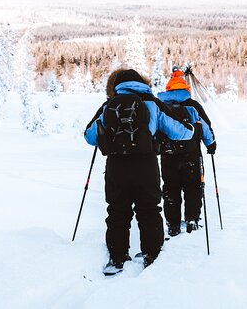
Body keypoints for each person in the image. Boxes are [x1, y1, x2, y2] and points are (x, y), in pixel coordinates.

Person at [84, 68, 199, 273]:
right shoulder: (151, 103)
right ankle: (152, 255)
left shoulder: (109, 105)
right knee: (149, 210)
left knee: (117, 212)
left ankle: (117, 258)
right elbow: (179, 131)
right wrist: (192, 129)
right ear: (141, 83)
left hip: (116, 167)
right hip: (146, 165)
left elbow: (89, 136)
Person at [157, 69, 215, 237]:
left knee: (170, 189)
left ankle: (173, 224)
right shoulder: (193, 105)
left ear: (168, 89)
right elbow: (205, 127)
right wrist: (211, 144)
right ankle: (192, 219)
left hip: (168, 157)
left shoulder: (162, 107)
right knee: (193, 187)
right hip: (192, 155)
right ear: (185, 89)